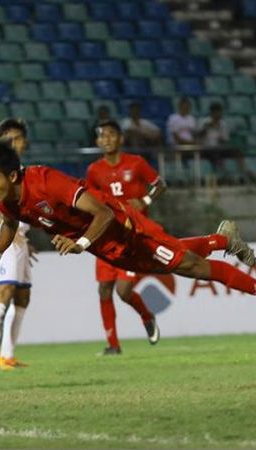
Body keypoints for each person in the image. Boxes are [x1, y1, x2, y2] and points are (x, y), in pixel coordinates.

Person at [0, 138, 256, 334]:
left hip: (124, 227)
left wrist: (80, 243)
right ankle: (222, 240)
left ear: (14, 174)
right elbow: (8, 225)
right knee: (175, 262)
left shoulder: (45, 181)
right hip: (106, 247)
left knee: (191, 267)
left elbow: (103, 213)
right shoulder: (12, 201)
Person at [85, 121, 166, 355]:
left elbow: (160, 184)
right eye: (102, 135)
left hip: (132, 237)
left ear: (121, 139)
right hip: (106, 237)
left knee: (123, 291)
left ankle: (146, 315)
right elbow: (89, 201)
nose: (107, 139)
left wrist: (145, 201)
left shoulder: (136, 163)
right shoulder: (94, 170)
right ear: (97, 141)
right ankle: (113, 345)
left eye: (111, 134)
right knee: (103, 290)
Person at [0, 118, 37, 371]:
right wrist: (10, 229)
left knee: (23, 296)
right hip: (3, 237)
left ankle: (7, 354)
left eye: (18, 138)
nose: (14, 143)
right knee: (4, 292)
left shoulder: (22, 171)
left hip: (20, 240)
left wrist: (23, 235)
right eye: (9, 139)